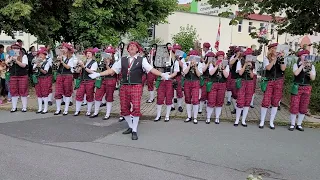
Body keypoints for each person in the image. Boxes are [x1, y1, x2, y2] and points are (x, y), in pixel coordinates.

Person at [89, 41, 169, 140]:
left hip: (136, 86)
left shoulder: (142, 59)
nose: (131, 47)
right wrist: (98, 74)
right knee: (124, 108)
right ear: (127, 49)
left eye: (133, 46)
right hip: (124, 86)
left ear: (137, 49)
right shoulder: (122, 60)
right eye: (130, 46)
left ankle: (134, 130)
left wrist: (161, 74)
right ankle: (131, 126)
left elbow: (151, 69)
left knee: (136, 107)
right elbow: (112, 71)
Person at [259, 43, 286, 129]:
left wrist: (281, 58)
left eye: (277, 48)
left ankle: (271, 122)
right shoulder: (266, 58)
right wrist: (274, 59)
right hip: (269, 81)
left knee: (275, 102)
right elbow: (268, 68)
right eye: (274, 48)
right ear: (271, 50)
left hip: (279, 81)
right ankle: (262, 121)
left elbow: (283, 69)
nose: (276, 50)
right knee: (266, 101)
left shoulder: (281, 58)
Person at [289, 50, 316, 131]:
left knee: (304, 106)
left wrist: (309, 68)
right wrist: (302, 65)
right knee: (294, 105)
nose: (305, 57)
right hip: (297, 86)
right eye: (304, 55)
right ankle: (292, 124)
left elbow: (313, 78)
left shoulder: (312, 66)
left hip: (306, 87)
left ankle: (299, 124)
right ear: (300, 57)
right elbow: (296, 73)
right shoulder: (296, 64)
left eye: (307, 55)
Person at [154, 47, 180, 122]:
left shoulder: (175, 62)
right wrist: (161, 75)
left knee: (169, 98)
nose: (167, 53)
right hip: (162, 80)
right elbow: (157, 69)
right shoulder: (161, 60)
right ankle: (158, 115)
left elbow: (175, 72)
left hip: (169, 81)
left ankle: (167, 115)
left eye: (170, 52)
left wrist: (169, 76)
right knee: (159, 98)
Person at [91, 45, 117, 119]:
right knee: (98, 95)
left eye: (109, 53)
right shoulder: (101, 62)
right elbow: (98, 71)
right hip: (102, 80)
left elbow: (112, 73)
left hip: (111, 80)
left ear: (112, 55)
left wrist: (107, 64)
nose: (108, 55)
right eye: (106, 53)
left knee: (109, 97)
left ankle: (107, 114)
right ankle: (96, 112)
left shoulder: (115, 63)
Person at [234, 48, 256, 127]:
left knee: (247, 101)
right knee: (240, 100)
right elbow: (240, 73)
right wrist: (245, 65)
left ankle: (243, 120)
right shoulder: (240, 62)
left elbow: (252, 76)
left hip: (250, 82)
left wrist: (250, 68)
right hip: (242, 81)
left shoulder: (253, 64)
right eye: (247, 55)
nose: (249, 57)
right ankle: (237, 120)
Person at [206, 51, 229, 124]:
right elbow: (211, 73)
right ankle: (208, 118)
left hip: (222, 84)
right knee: (211, 100)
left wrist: (222, 68)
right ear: (216, 57)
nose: (220, 58)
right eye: (219, 56)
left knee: (219, 101)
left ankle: (217, 118)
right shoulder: (212, 64)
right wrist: (216, 66)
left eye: (222, 56)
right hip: (214, 83)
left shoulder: (226, 65)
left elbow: (226, 76)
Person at [74, 48, 98, 116]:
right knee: (79, 94)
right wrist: (78, 67)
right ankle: (77, 110)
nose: (88, 55)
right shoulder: (84, 61)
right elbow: (78, 71)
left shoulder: (94, 62)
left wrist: (84, 67)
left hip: (90, 80)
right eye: (87, 53)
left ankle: (88, 111)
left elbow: (92, 72)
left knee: (89, 95)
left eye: (89, 53)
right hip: (82, 80)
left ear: (92, 55)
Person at [5, 43, 29, 112]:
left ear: (20, 49)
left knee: (23, 91)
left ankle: (24, 107)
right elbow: (6, 63)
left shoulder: (24, 56)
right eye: (14, 48)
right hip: (13, 75)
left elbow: (24, 65)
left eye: (17, 48)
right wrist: (11, 59)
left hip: (22, 75)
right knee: (13, 91)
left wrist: (16, 60)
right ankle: (14, 107)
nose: (15, 50)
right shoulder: (9, 55)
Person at [54, 43, 75, 115]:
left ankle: (66, 109)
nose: (63, 50)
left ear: (68, 50)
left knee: (67, 92)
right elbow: (56, 66)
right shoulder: (60, 56)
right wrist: (59, 61)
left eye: (65, 48)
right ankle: (58, 109)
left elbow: (68, 67)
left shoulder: (71, 58)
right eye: (63, 48)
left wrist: (62, 61)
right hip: (60, 75)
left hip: (67, 75)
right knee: (58, 92)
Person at [183, 49, 203, 124]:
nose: (193, 59)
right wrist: (189, 66)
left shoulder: (200, 64)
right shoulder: (186, 63)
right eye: (192, 57)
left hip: (195, 82)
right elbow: (184, 73)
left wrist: (195, 67)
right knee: (187, 99)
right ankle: (189, 116)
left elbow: (199, 75)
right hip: (187, 82)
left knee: (195, 100)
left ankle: (195, 117)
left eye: (195, 57)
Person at [33, 47, 51, 114]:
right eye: (39, 54)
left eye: (42, 54)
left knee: (44, 93)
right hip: (38, 78)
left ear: (45, 55)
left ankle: (45, 109)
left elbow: (45, 72)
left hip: (44, 78)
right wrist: (36, 65)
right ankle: (40, 108)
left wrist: (39, 68)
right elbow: (33, 70)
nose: (40, 55)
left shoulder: (47, 62)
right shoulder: (37, 61)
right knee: (39, 93)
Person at [199, 42, 212, 114]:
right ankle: (202, 109)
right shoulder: (207, 54)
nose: (203, 48)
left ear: (205, 47)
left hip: (207, 76)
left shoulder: (208, 55)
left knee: (205, 93)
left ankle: (201, 109)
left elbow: (204, 65)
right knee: (205, 93)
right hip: (207, 76)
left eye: (203, 47)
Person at [171, 43, 184, 112]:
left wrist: (178, 59)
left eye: (178, 49)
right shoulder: (170, 57)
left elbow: (183, 66)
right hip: (170, 76)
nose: (176, 50)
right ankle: (172, 106)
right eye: (175, 49)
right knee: (170, 91)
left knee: (179, 91)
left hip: (178, 76)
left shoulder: (182, 58)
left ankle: (180, 106)